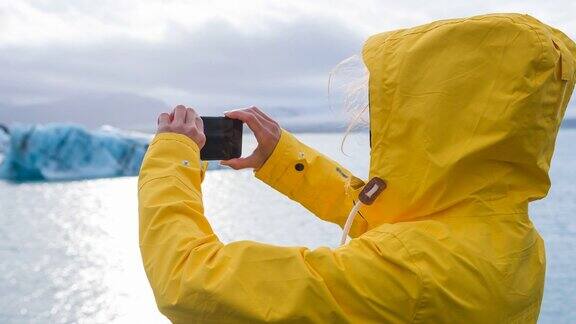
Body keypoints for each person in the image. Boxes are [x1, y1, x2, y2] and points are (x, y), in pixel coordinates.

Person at [138, 13, 575, 323]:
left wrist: (171, 160)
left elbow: (188, 282)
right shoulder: (511, 237)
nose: (371, 121)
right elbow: (404, 220)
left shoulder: (411, 271)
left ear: (434, 119)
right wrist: (287, 160)